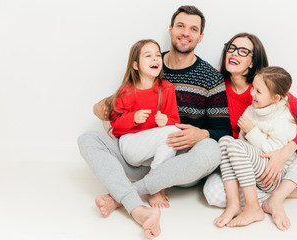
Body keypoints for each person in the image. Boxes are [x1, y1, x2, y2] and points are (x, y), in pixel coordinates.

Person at [78, 5, 231, 239]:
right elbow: (114, 106)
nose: (185, 33)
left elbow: (223, 130)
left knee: (212, 150)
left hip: (182, 165)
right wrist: (102, 108)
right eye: (180, 26)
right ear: (170, 29)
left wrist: (200, 135)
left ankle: (126, 196)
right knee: (88, 138)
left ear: (200, 37)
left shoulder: (211, 77)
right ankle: (141, 196)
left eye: (193, 29)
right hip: (139, 155)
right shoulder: (151, 64)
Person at [203, 32, 297, 231]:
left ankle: (278, 197)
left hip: (272, 158)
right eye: (231, 47)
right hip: (241, 159)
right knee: (212, 194)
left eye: (243, 51)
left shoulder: (266, 88)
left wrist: (284, 153)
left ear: (251, 62)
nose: (234, 53)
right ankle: (285, 192)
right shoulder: (216, 87)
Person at [215, 66, 297, 228]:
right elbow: (240, 143)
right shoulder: (252, 109)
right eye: (253, 88)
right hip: (254, 166)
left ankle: (253, 208)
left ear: (275, 98)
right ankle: (234, 204)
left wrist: (251, 131)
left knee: (236, 145)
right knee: (225, 141)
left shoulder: (283, 120)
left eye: (258, 91)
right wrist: (245, 136)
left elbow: (273, 152)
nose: (252, 93)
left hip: (272, 175)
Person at [107, 39, 181, 207]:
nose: (155, 59)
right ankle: (154, 187)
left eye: (157, 55)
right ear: (135, 65)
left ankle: (153, 181)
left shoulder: (167, 88)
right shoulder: (126, 91)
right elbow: (115, 125)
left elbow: (175, 122)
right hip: (132, 146)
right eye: (148, 56)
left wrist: (166, 120)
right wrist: (132, 118)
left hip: (155, 152)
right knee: (170, 133)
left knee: (172, 133)